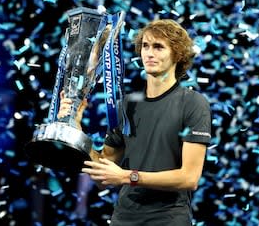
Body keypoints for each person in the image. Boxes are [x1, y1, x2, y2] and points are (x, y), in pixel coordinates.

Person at [59, 19, 212, 225]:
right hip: (123, 219)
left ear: (178, 54)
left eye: (158, 47)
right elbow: (103, 173)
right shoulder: (127, 104)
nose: (149, 53)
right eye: (145, 46)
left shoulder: (193, 103)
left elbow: (189, 178)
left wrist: (127, 177)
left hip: (167, 220)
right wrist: (75, 126)